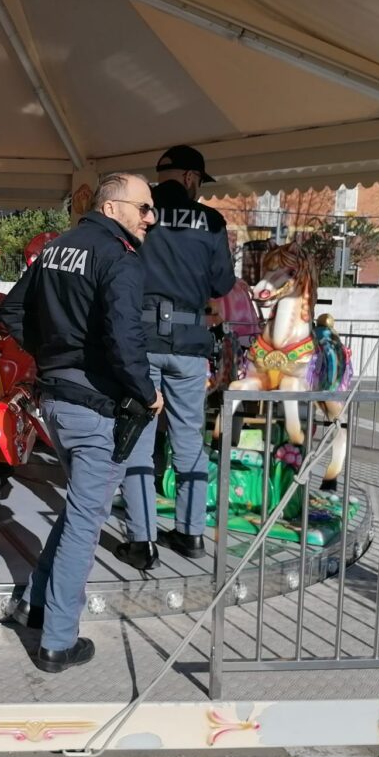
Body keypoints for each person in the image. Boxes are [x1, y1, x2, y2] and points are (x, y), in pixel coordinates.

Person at [0, 174, 162, 673]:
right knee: (86, 523)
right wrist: (147, 392)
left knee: (80, 511)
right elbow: (124, 337)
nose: (151, 218)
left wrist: (53, 354)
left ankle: (34, 603)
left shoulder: (56, 249)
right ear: (113, 208)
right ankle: (57, 642)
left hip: (56, 401)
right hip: (94, 407)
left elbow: (11, 310)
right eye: (145, 208)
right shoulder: (120, 257)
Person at [121, 145, 236, 566]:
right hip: (189, 344)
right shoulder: (211, 221)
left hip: (141, 340)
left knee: (139, 439)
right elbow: (222, 283)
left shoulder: (138, 214)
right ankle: (189, 535)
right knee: (189, 440)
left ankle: (141, 540)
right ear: (190, 178)